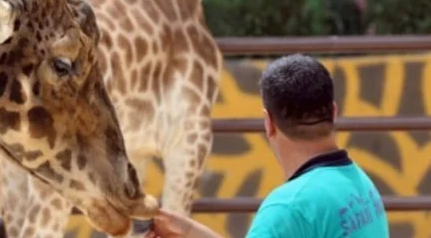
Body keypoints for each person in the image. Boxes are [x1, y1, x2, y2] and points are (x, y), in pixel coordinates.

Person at [144, 54, 389, 238]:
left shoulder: (288, 208)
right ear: (333, 113)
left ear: (268, 123)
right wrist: (189, 233)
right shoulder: (359, 185)